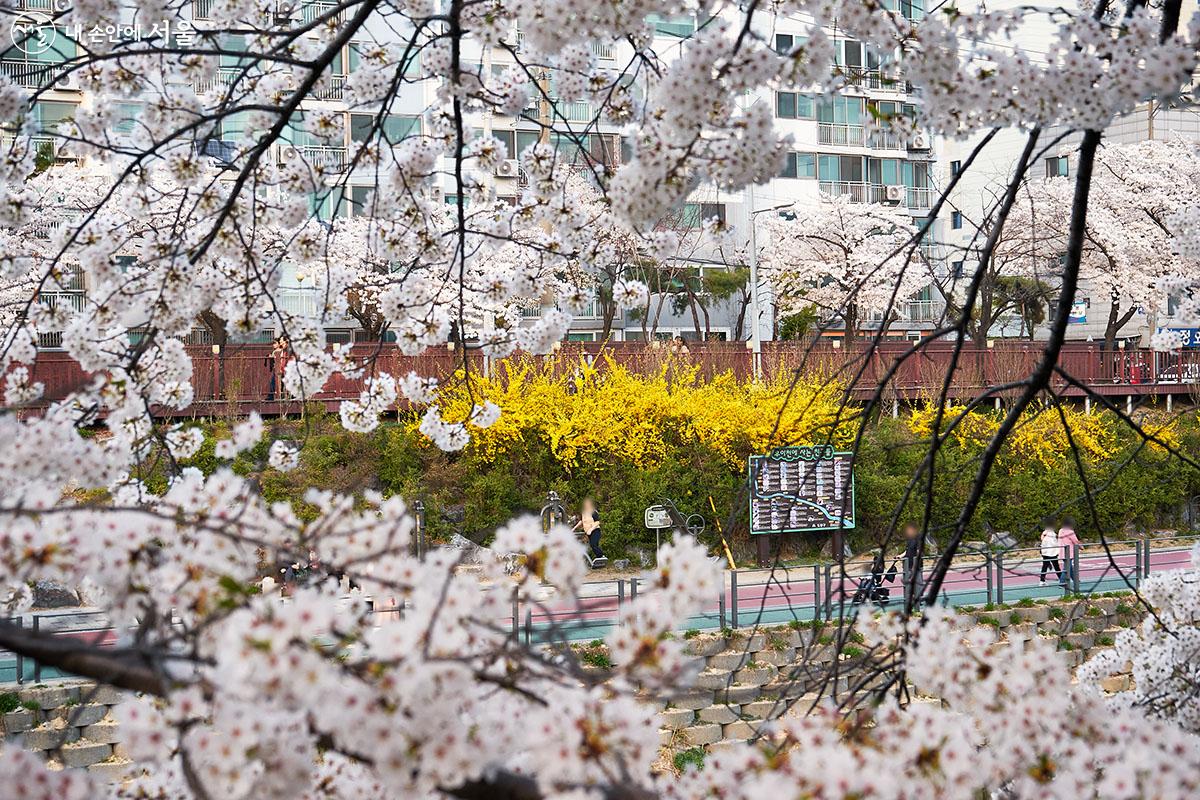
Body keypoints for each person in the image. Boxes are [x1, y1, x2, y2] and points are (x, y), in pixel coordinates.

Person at [572, 498, 605, 564]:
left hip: (595, 531)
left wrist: (590, 529)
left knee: (593, 545)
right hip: (588, 532)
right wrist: (574, 528)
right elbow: (581, 521)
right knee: (594, 546)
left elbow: (597, 522)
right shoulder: (584, 512)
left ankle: (601, 556)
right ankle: (600, 560)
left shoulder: (593, 512)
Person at [1039, 518, 1064, 585]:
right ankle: (1061, 580)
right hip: (1052, 553)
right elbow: (1055, 542)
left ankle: (1042, 581)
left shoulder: (1044, 533)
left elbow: (1042, 540)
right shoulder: (1053, 533)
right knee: (1056, 566)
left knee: (1044, 566)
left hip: (1045, 552)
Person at [902, 523, 923, 603]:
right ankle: (909, 599)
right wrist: (900, 556)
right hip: (908, 565)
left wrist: (915, 564)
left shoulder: (918, 539)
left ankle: (918, 599)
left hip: (915, 565)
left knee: (917, 582)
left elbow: (919, 552)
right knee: (908, 582)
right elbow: (907, 551)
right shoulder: (909, 539)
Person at [1058, 516, 1080, 587]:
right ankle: (1061, 582)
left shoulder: (1061, 530)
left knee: (1069, 567)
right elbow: (1075, 541)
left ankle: (1075, 579)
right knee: (1067, 568)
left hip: (1062, 551)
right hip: (1069, 552)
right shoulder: (1070, 532)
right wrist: (1081, 547)